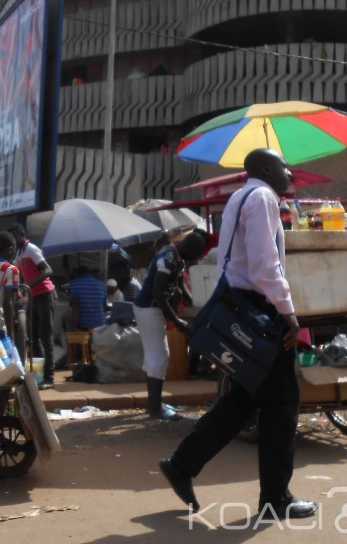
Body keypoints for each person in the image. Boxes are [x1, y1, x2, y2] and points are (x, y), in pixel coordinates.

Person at [158, 149, 317, 521]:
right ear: (264, 168)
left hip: (239, 303)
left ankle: (182, 465)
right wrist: (289, 314)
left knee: (246, 398)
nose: (289, 171)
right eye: (283, 165)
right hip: (259, 309)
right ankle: (275, 499)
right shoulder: (262, 197)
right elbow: (265, 266)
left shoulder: (240, 197)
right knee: (282, 404)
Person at [135, 229, 209, 421]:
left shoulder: (178, 256)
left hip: (154, 310)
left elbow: (179, 285)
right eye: (197, 254)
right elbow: (158, 292)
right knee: (157, 357)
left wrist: (196, 305)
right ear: (189, 250)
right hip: (149, 309)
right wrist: (176, 320)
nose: (198, 258)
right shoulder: (168, 258)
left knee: (157, 356)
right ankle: (154, 408)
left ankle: (155, 402)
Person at [8, 224, 55, 388]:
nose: (14, 240)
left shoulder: (32, 249)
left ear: (22, 235)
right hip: (34, 295)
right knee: (34, 338)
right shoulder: (20, 253)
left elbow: (48, 270)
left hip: (46, 294)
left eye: (15, 236)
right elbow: (13, 268)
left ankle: (50, 378)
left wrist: (30, 285)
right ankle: (39, 375)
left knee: (46, 336)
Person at [67, 266, 108, 331]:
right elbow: (104, 306)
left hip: (83, 325)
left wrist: (74, 327)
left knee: (65, 317)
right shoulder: (102, 285)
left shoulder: (74, 284)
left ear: (77, 274)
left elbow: (76, 308)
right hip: (100, 323)